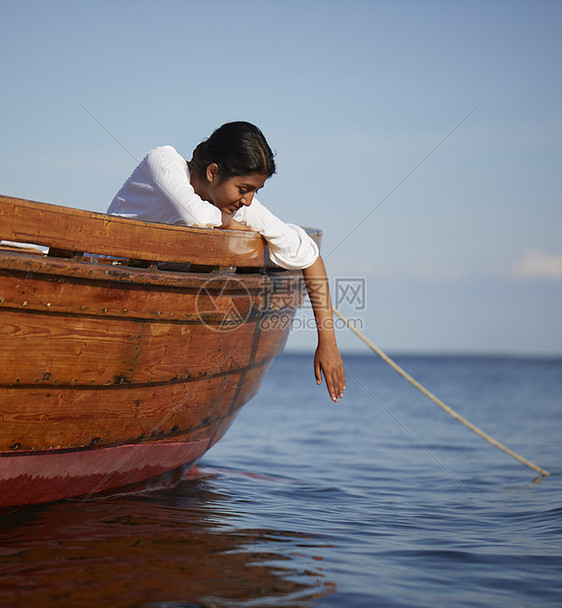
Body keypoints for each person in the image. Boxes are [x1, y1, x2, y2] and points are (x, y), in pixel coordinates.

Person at [108, 121, 345, 402]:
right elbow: (194, 217)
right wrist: (232, 225)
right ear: (212, 172)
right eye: (244, 188)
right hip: (106, 288)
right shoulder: (164, 161)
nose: (248, 201)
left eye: (255, 191)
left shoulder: (232, 205)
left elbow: (309, 255)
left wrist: (327, 342)